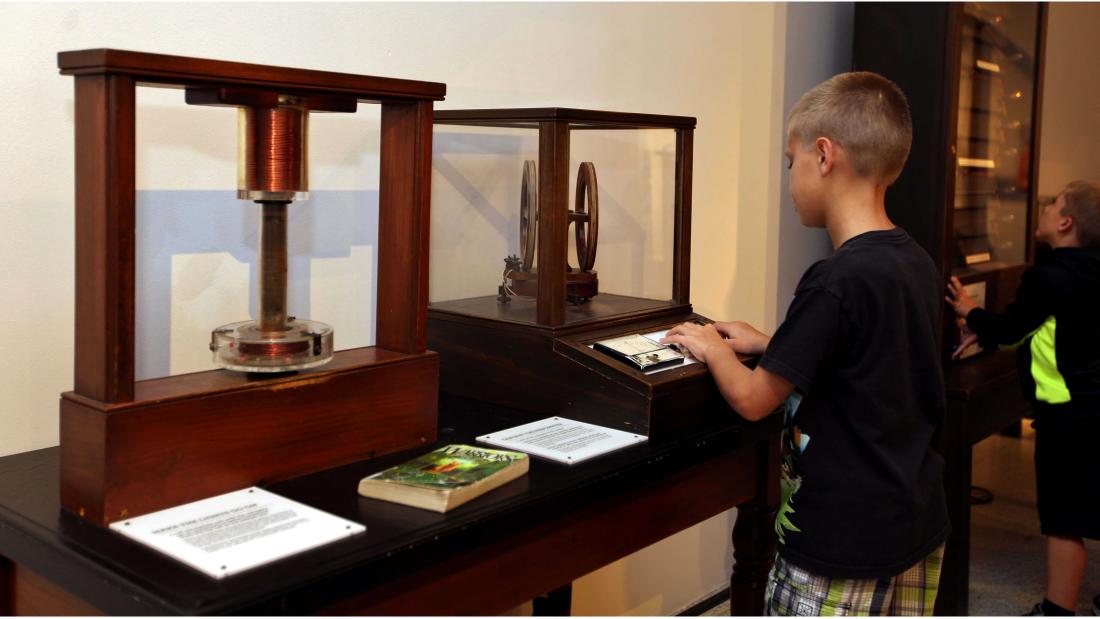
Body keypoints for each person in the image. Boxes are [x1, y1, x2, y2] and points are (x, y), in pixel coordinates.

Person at [662, 72, 949, 616]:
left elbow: (753, 401)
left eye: (789, 162)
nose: (789, 178)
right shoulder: (911, 260)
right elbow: (870, 358)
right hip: (913, 521)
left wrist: (714, 348)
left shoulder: (833, 279)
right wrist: (773, 341)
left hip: (840, 541)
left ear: (824, 155)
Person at [946, 180, 1100, 616]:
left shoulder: (1047, 276)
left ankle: (1057, 608)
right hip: (1095, 403)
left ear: (1066, 223)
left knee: (1063, 515)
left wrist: (969, 312)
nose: (1045, 208)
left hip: (1066, 414)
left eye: (1053, 203)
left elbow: (1012, 329)